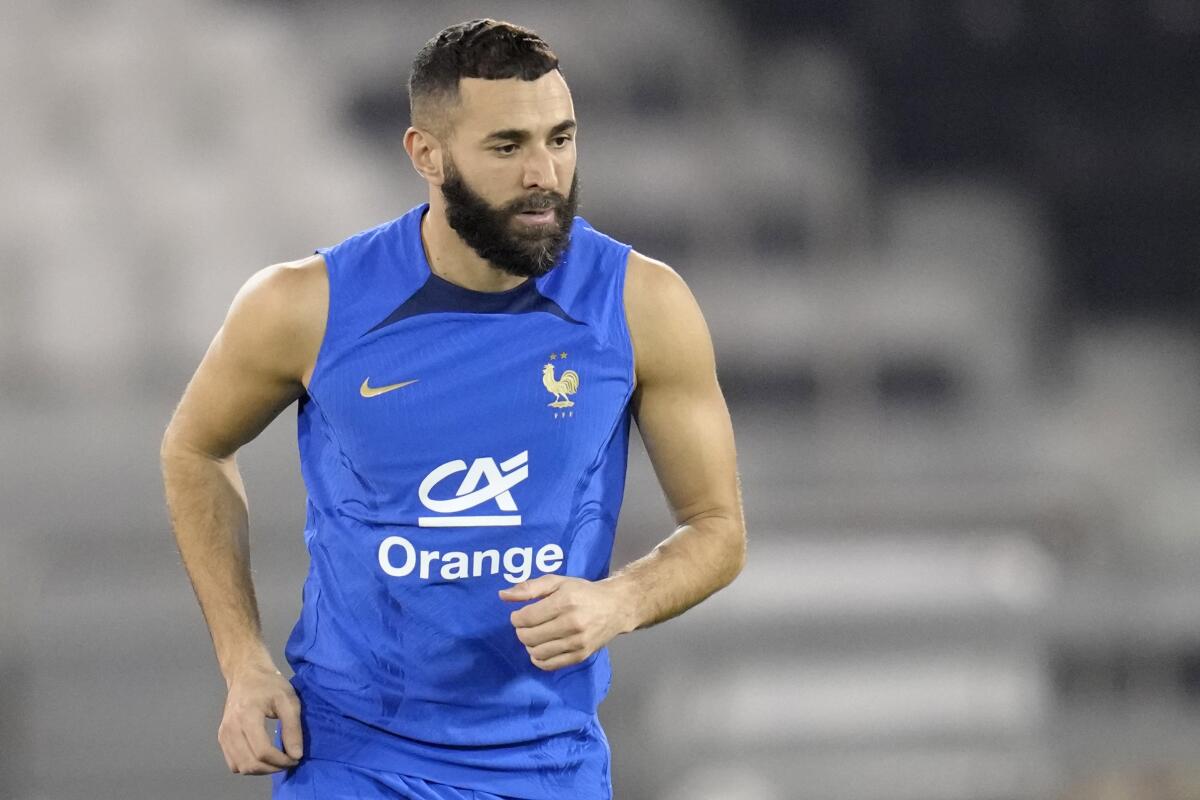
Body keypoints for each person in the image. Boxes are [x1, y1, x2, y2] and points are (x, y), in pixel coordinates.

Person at [160, 18, 746, 800]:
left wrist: (621, 601)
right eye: (508, 147)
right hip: (355, 758)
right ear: (426, 155)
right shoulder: (304, 305)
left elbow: (719, 528)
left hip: (549, 766)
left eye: (561, 139)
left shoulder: (642, 303)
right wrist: (243, 662)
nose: (545, 172)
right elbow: (194, 449)